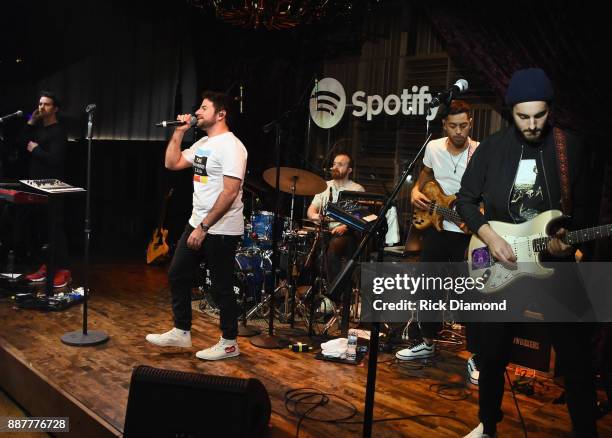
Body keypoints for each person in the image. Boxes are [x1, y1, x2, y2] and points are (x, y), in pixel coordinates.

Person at [456, 68, 598, 437]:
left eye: (540, 115)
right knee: (492, 353)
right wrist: (489, 236)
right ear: (510, 112)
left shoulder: (572, 149)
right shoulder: (491, 149)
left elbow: (586, 210)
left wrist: (570, 239)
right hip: (502, 257)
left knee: (577, 358)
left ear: (550, 110)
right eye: (523, 116)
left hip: (556, 265)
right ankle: (488, 425)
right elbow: (465, 200)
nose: (532, 124)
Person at [146, 91, 247, 361]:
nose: (197, 112)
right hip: (198, 221)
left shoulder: (232, 147)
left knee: (220, 286)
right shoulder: (203, 142)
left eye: (204, 108)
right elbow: (172, 163)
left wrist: (203, 227)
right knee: (177, 274)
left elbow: (229, 192)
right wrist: (179, 132)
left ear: (221, 114)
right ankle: (181, 330)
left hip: (221, 228)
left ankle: (229, 342)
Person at [395, 101, 480, 381]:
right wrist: (415, 191)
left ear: (471, 122)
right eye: (453, 126)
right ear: (444, 125)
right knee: (428, 289)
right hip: (436, 229)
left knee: (469, 297)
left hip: (467, 237)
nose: (459, 131)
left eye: (464, 125)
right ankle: (426, 343)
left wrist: (479, 217)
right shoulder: (433, 148)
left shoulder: (478, 152)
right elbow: (425, 178)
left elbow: (488, 193)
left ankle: (476, 356)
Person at [19, 91, 71, 288]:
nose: (41, 108)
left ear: (55, 108)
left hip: (52, 186)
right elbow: (20, 142)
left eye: (46, 104)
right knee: (41, 228)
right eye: (40, 104)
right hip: (36, 186)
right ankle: (47, 266)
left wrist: (36, 150)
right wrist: (31, 122)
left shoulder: (59, 131)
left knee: (55, 228)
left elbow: (56, 160)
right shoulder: (39, 129)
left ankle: (63, 269)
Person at [306, 153, 364, 303]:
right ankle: (311, 293)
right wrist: (315, 217)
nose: (335, 167)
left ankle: (334, 297)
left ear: (349, 170)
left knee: (332, 250)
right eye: (334, 163)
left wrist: (345, 226)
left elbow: (359, 216)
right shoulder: (324, 186)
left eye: (340, 164)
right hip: (326, 231)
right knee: (306, 248)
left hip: (348, 233)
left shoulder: (357, 189)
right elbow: (311, 210)